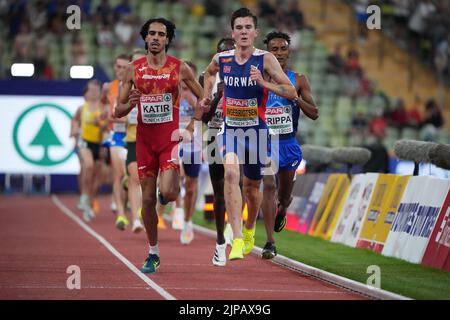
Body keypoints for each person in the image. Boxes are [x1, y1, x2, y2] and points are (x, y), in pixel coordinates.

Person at [199, 8, 298, 261]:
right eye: (239, 28)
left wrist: (263, 83)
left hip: (258, 132)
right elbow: (208, 73)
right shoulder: (222, 59)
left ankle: (251, 231)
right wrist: (206, 95)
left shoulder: (265, 60)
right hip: (231, 129)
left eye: (247, 28)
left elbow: (290, 91)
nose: (243, 32)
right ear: (233, 33)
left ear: (255, 32)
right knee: (231, 173)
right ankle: (238, 236)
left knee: (253, 187)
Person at [117, 17, 205, 274]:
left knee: (167, 193)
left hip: (170, 140)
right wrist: (130, 104)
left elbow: (203, 98)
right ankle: (153, 252)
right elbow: (118, 109)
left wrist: (191, 127)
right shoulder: (133, 69)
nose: (155, 38)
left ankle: (165, 195)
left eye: (161, 34)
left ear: (167, 39)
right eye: (151, 33)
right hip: (144, 142)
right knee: (146, 200)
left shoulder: (180, 68)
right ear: (145, 38)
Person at [261, 31, 318, 259]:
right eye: (274, 49)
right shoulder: (259, 78)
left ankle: (282, 209)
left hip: (289, 145)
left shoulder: (299, 79)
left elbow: (314, 114)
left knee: (283, 197)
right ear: (268, 53)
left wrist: (295, 98)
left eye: (282, 48)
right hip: (265, 143)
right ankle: (269, 242)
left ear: (289, 51)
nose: (279, 53)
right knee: (268, 185)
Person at [201, 37, 238, 266]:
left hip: (239, 135)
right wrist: (217, 97)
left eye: (231, 52)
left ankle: (234, 228)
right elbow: (203, 118)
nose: (227, 57)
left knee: (238, 184)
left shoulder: (244, 78)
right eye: (223, 54)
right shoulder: (208, 79)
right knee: (219, 193)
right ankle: (220, 242)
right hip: (215, 136)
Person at [116, 49, 147, 234]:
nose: (138, 66)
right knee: (134, 178)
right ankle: (136, 218)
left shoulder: (158, 82)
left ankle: (148, 208)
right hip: (133, 138)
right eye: (134, 62)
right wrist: (130, 109)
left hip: (154, 139)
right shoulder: (125, 86)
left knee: (153, 183)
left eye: (141, 61)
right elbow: (117, 112)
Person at [102, 54, 130, 230]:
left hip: (134, 135)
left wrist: (121, 118)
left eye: (123, 67)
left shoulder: (135, 86)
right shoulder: (109, 87)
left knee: (129, 177)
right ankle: (121, 214)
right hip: (117, 136)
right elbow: (108, 113)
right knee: (119, 175)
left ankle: (126, 205)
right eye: (118, 66)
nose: (120, 70)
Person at [78, 80, 108, 221]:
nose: (94, 92)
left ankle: (89, 202)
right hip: (85, 142)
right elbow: (75, 120)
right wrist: (73, 130)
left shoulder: (103, 107)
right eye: (91, 90)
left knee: (96, 179)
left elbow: (108, 125)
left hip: (100, 144)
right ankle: (84, 196)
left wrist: (101, 125)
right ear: (87, 92)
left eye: (96, 90)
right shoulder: (82, 107)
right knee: (88, 166)